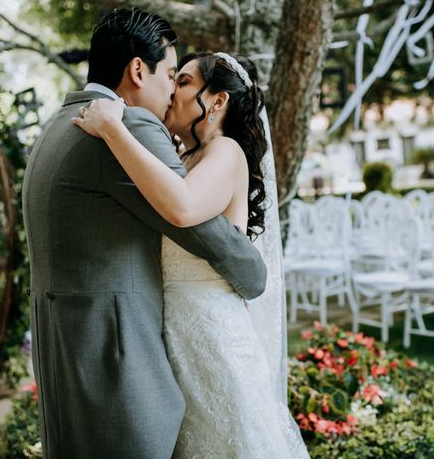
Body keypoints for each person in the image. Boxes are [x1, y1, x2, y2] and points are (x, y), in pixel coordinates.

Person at [21, 9, 267, 459]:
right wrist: (255, 273)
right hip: (117, 365)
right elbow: (196, 226)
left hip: (70, 356)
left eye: (183, 80)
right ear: (138, 69)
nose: (173, 88)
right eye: (172, 74)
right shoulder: (126, 126)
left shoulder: (57, 125)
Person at [73, 51, 310, 458]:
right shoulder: (183, 157)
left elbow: (182, 207)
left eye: (182, 82)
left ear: (217, 101)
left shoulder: (227, 151)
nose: (171, 90)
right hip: (175, 336)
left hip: (214, 337)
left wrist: (114, 129)